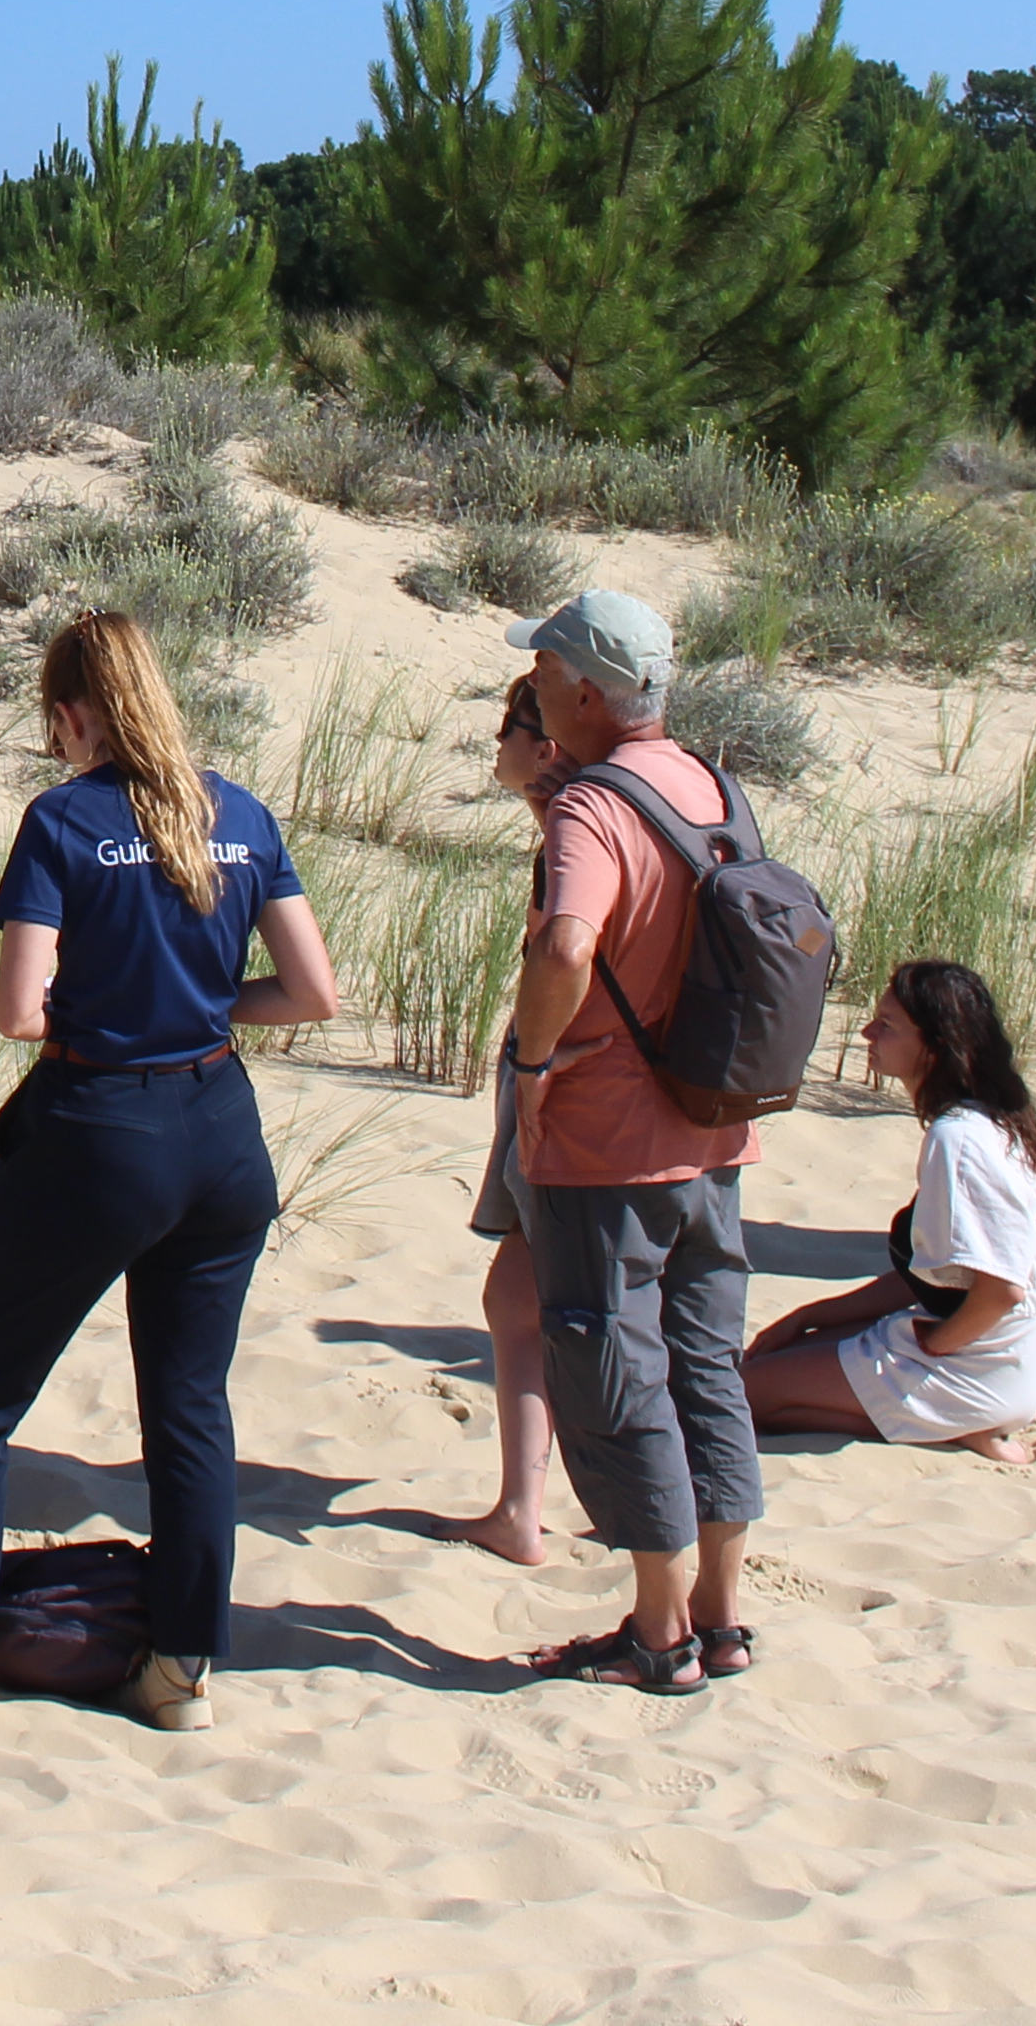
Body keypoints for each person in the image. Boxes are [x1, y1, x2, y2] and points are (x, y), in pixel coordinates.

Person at [0, 612, 335, 1741]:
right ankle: (181, 1670)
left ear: (70, 715)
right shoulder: (234, 811)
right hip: (222, 1130)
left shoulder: (62, 820)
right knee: (190, 1409)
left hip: (102, 1126)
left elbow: (18, 1010)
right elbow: (309, 992)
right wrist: (199, 1008)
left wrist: (117, 1013)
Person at [497, 586, 766, 1698]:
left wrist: (531, 1065)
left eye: (551, 670)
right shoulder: (714, 786)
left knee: (615, 1366)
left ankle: (658, 1633)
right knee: (708, 1364)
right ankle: (722, 1612)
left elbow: (566, 944)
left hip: (609, 1136)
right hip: (713, 1127)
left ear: (594, 692)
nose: (540, 685)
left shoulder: (593, 809)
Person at [741, 961, 1036, 1464]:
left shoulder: (959, 1138)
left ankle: (953, 1427)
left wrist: (938, 1345)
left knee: (739, 1397)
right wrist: (808, 1316)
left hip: (980, 1367)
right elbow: (940, 1278)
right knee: (784, 1361)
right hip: (999, 1361)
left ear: (934, 1049)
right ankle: (950, 1426)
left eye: (887, 1025)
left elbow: (1001, 1290)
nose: (868, 1032)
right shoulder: (992, 1121)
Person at [443, 670, 561, 1566]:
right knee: (525, 1298)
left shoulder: (577, 835)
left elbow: (563, 956)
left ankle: (525, 1509)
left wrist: (532, 1064)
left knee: (523, 1301)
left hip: (562, 1090)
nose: (497, 743)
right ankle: (525, 1504)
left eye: (509, 728)